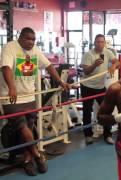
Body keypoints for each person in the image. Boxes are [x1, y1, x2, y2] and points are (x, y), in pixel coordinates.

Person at [0, 27, 71, 176]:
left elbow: (49, 66)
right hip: (11, 97)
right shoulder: (10, 47)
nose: (31, 42)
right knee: (22, 127)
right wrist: (12, 88)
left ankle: (27, 160)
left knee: (29, 130)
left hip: (30, 96)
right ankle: (38, 156)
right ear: (20, 38)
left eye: (33, 40)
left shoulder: (35, 50)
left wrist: (59, 81)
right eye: (28, 39)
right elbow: (6, 67)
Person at [80, 34, 119, 145]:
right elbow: (86, 72)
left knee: (106, 110)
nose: (100, 44)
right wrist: (94, 65)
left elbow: (118, 62)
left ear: (104, 43)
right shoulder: (88, 55)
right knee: (87, 111)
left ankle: (108, 135)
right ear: (94, 43)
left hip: (100, 87)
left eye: (102, 42)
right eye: (98, 42)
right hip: (87, 86)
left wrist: (113, 66)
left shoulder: (107, 52)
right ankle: (88, 135)